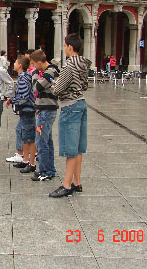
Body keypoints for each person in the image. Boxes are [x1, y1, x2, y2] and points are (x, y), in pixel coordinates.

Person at [49, 34, 91, 198]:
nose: (64, 48)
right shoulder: (83, 64)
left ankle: (66, 185)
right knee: (79, 147)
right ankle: (77, 182)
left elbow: (58, 89)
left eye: (65, 45)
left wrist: (55, 84)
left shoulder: (69, 66)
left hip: (70, 106)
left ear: (70, 47)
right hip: (81, 103)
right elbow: (85, 85)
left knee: (70, 148)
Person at [30, 50, 59, 181]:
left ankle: (45, 170)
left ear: (40, 62)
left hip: (47, 110)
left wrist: (35, 74)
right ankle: (49, 169)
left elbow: (36, 87)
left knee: (41, 141)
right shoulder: (47, 72)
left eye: (34, 64)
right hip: (44, 109)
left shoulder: (50, 71)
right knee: (47, 141)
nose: (34, 67)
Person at [6, 55, 36, 173]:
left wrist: (12, 100)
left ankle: (31, 162)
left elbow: (23, 96)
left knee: (29, 137)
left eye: (15, 62)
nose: (13, 64)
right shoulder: (26, 76)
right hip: (27, 110)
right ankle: (25, 160)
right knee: (24, 135)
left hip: (27, 110)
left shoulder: (23, 78)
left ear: (20, 65)